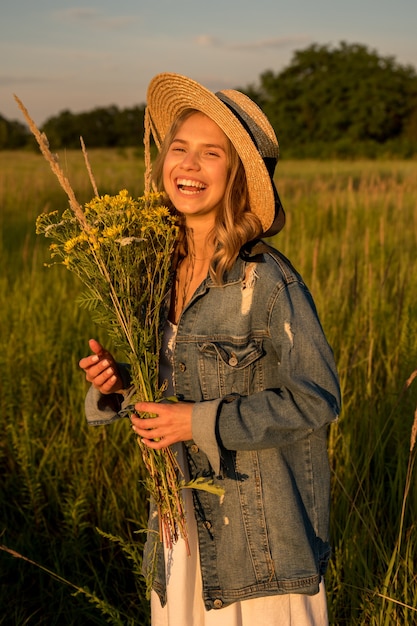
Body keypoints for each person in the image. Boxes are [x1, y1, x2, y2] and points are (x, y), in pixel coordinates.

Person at [79, 73, 341, 626]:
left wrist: (195, 422)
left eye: (210, 154)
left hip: (257, 539)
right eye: (180, 149)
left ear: (239, 177)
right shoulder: (152, 270)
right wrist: (120, 385)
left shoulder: (268, 282)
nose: (189, 165)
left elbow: (316, 400)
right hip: (179, 529)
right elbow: (172, 389)